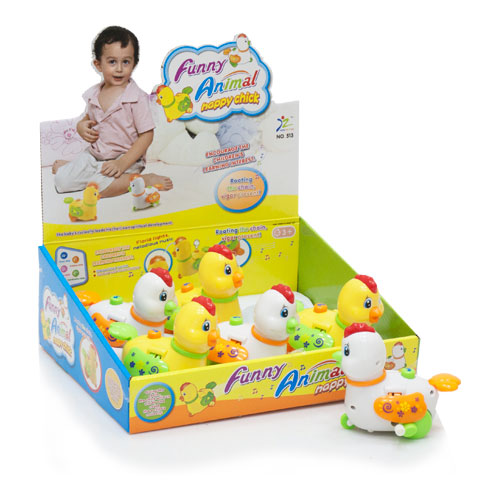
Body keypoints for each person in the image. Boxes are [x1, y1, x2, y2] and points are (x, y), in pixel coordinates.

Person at [52, 26, 173, 198]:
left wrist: (122, 163)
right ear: (98, 65)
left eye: (126, 62)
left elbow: (147, 135)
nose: (119, 69)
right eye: (112, 62)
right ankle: (77, 169)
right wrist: (81, 126)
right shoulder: (94, 94)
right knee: (61, 181)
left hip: (125, 158)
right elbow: (89, 118)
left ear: (134, 63)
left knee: (99, 188)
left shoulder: (136, 98)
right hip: (95, 156)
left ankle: (145, 179)